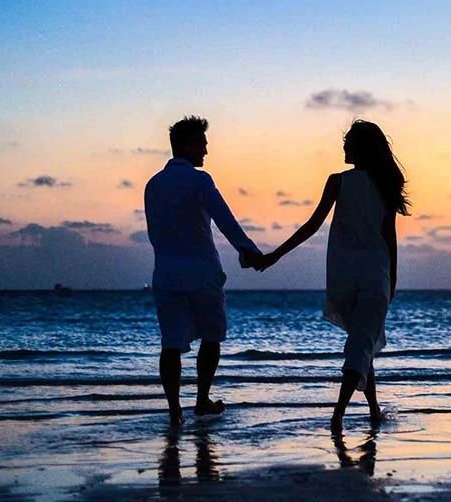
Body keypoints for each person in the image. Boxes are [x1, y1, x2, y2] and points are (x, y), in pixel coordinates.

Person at [259, 119, 409, 432]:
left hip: (343, 277)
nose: (343, 146)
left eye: (347, 141)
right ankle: (338, 415)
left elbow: (312, 226)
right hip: (375, 275)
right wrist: (392, 279)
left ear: (359, 147)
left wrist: (274, 256)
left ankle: (373, 410)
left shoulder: (337, 181)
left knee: (361, 342)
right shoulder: (384, 183)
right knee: (360, 344)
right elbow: (388, 235)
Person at [144, 115, 263, 427]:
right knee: (212, 337)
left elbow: (154, 231)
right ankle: (201, 399)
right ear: (188, 145)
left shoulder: (152, 185)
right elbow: (224, 218)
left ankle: (174, 410)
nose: (206, 152)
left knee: (170, 345)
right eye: (203, 145)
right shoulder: (200, 180)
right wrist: (248, 251)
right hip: (201, 272)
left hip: (166, 273)